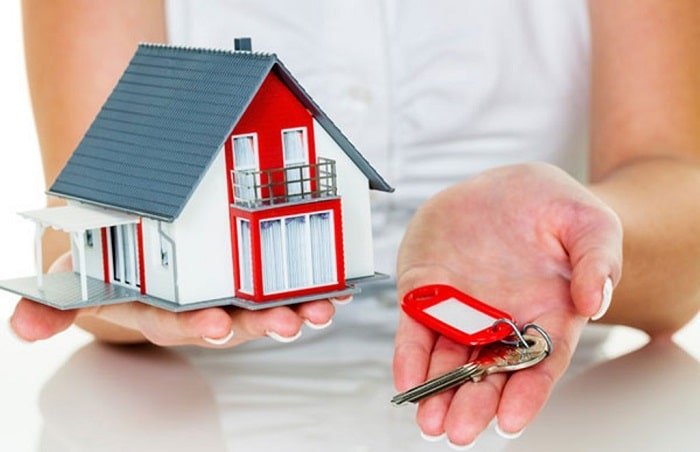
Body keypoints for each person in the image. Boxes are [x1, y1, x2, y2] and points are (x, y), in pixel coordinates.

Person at [10, 0, 700, 449]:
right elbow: (87, 213)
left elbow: (679, 214)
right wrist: (133, 283)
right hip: (172, 410)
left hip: (576, 411)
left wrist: (582, 239)